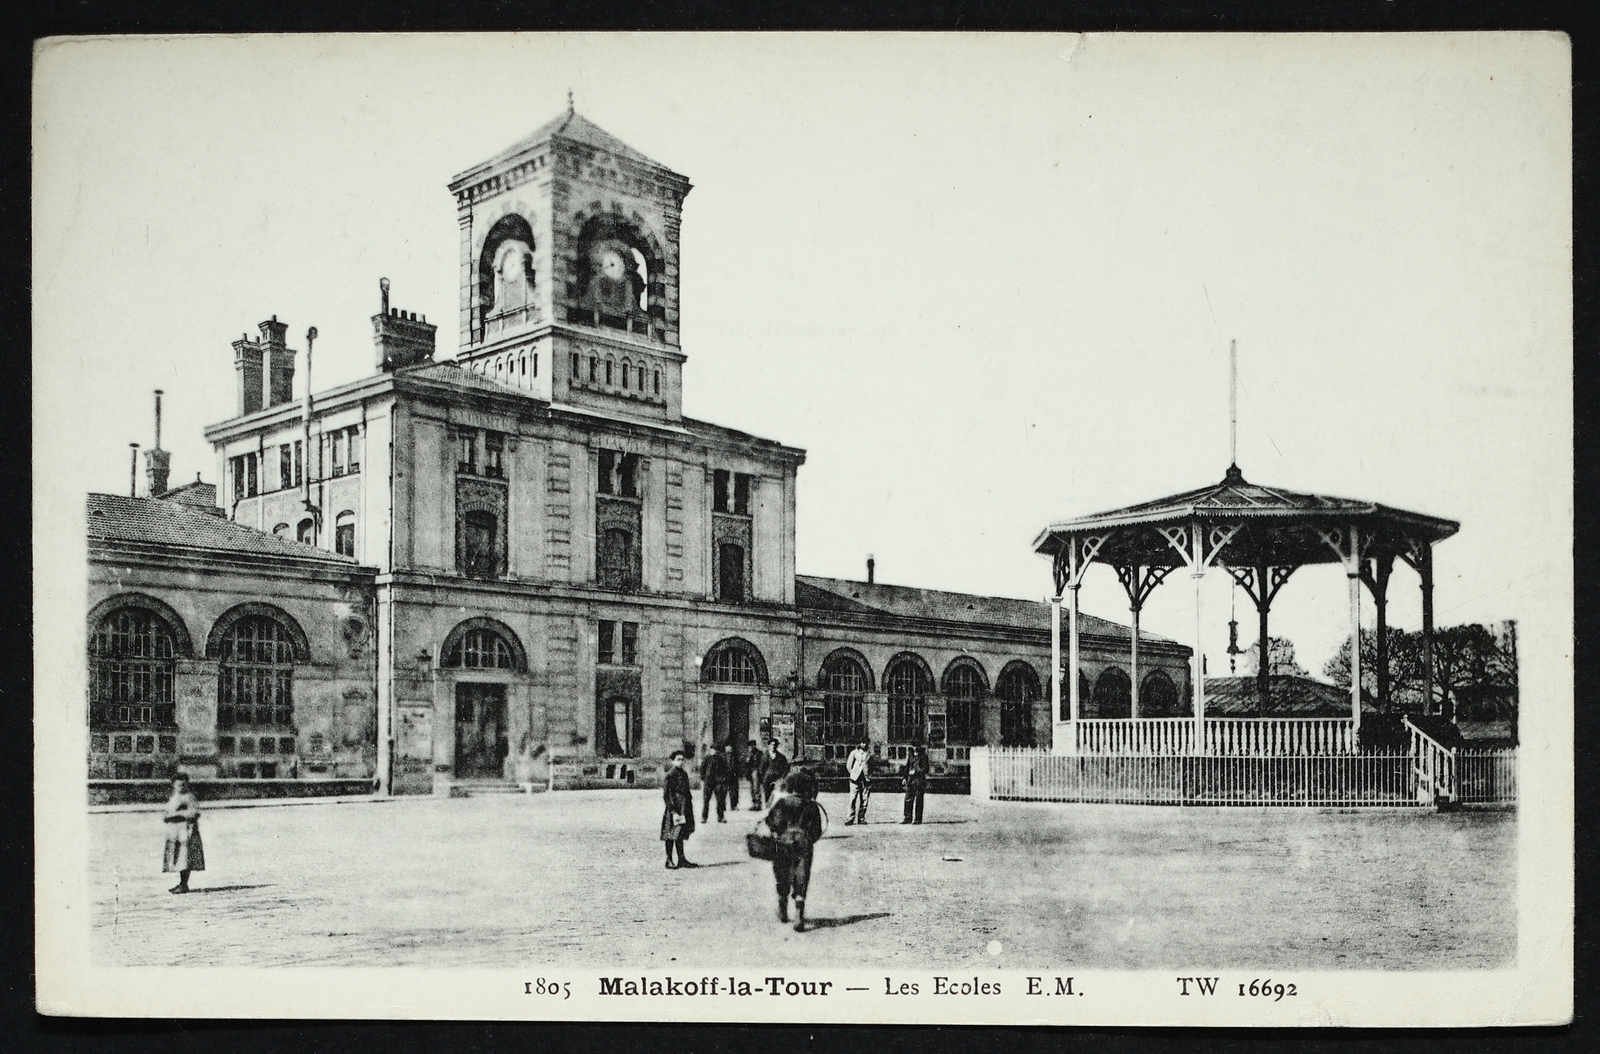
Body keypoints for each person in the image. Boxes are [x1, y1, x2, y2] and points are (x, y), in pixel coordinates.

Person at [764, 768, 824, 932]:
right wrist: (808, 840)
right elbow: (817, 830)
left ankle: (782, 908)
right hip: (803, 843)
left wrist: (779, 833)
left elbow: (772, 823)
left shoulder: (782, 803)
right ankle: (799, 912)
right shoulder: (811, 805)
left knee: (782, 873)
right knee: (802, 875)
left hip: (784, 842)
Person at [161, 772, 204, 894]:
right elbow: (167, 813)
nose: (181, 787)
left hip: (186, 831)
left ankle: (184, 884)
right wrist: (167, 816)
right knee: (178, 857)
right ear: (174, 785)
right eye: (178, 785)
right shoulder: (174, 797)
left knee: (185, 857)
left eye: (184, 785)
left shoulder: (189, 797)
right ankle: (181, 883)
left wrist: (176, 815)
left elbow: (194, 813)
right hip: (175, 832)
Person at [661, 749, 698, 868]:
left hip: (683, 808)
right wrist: (673, 812)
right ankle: (669, 860)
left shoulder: (684, 774)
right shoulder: (670, 775)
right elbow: (667, 796)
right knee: (671, 834)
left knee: (680, 833)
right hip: (674, 809)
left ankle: (681, 859)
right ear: (673, 761)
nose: (681, 762)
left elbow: (687, 792)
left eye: (682, 759)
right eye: (678, 759)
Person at [699, 742, 731, 823]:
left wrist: (723, 779)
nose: (714, 751)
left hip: (718, 782)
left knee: (720, 800)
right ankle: (704, 817)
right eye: (713, 749)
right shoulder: (707, 758)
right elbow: (702, 769)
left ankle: (721, 817)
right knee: (706, 800)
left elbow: (725, 770)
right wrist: (703, 778)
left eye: (716, 750)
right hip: (708, 782)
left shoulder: (721, 759)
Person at [901, 744, 930, 824]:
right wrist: (904, 777)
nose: (915, 748)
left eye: (917, 746)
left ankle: (918, 819)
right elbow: (907, 767)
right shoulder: (911, 755)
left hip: (919, 781)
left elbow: (926, 768)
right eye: (914, 746)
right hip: (910, 781)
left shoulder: (923, 756)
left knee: (918, 800)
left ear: (920, 747)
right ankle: (907, 818)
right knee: (908, 799)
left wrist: (916, 771)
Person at [845, 740, 871, 825]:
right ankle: (850, 818)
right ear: (860, 743)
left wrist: (869, 775)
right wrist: (853, 773)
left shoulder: (869, 754)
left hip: (866, 780)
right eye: (863, 742)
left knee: (864, 800)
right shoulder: (854, 753)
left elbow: (872, 765)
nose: (864, 744)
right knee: (852, 799)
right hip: (855, 780)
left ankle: (861, 818)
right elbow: (849, 765)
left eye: (866, 743)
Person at [760, 740, 789, 808]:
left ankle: (776, 808)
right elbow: (761, 768)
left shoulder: (781, 757)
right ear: (768, 746)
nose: (773, 746)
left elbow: (786, 769)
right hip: (767, 779)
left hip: (777, 779)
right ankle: (768, 808)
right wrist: (763, 778)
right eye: (772, 745)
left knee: (777, 794)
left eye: (775, 745)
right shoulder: (764, 757)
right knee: (767, 794)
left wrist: (782, 778)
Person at [743, 739, 764, 810]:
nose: (750, 747)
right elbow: (746, 763)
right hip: (750, 772)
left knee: (756, 788)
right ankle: (754, 804)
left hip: (756, 771)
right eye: (749, 746)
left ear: (754, 746)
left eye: (751, 746)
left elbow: (760, 763)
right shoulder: (749, 753)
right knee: (752, 789)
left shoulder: (758, 753)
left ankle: (758, 804)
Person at [722, 742, 741, 812]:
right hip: (725, 776)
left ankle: (733, 805)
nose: (729, 748)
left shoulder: (735, 756)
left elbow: (738, 765)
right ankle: (722, 806)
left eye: (730, 747)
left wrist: (737, 773)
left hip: (733, 776)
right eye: (727, 746)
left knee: (734, 792)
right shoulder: (722, 756)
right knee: (723, 792)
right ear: (725, 748)